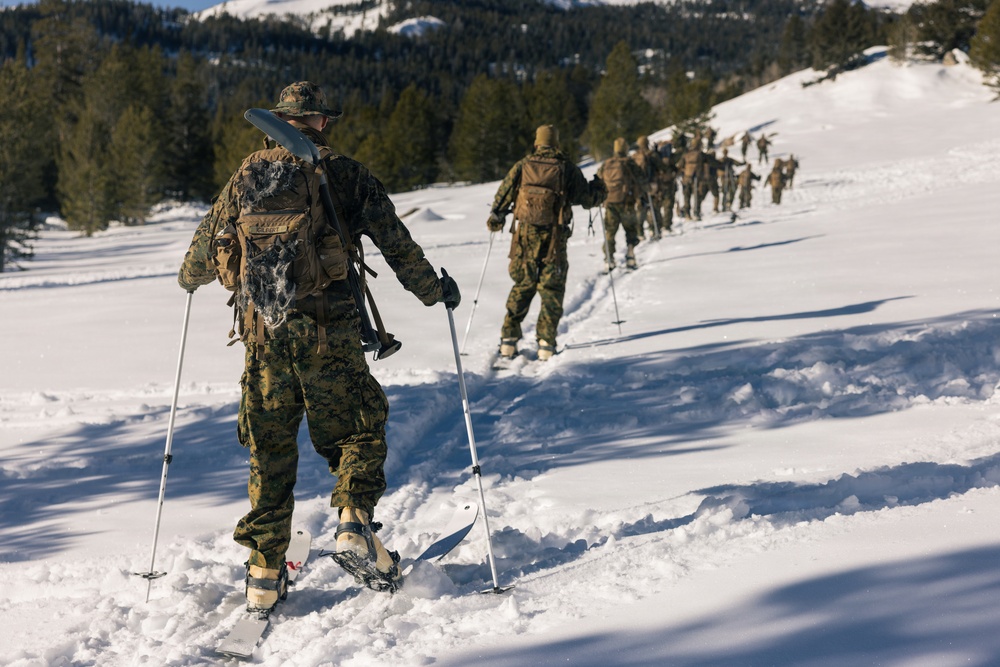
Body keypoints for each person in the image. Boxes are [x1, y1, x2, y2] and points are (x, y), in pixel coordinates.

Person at [176, 81, 460, 612]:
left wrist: (190, 280)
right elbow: (397, 245)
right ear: (322, 121)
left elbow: (197, 260)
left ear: (278, 121)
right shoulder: (344, 174)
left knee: (269, 450)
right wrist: (436, 291)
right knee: (358, 429)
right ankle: (353, 523)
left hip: (263, 338)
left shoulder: (245, 177)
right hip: (329, 334)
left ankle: (264, 573)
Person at [487, 125, 605, 361]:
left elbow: (503, 194)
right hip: (554, 239)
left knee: (523, 284)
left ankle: (508, 340)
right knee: (551, 289)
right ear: (556, 143)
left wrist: (496, 218)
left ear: (537, 143)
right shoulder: (566, 167)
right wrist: (599, 187)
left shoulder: (523, 165)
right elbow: (587, 199)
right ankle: (545, 344)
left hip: (524, 238)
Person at [597, 137, 647, 272]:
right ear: (626, 149)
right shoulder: (629, 163)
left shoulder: (606, 163)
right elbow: (641, 180)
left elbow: (598, 180)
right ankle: (630, 257)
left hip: (610, 203)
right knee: (630, 230)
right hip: (627, 203)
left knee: (610, 232)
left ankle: (609, 260)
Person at [631, 135, 666, 240]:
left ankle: (640, 232)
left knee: (641, 209)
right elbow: (662, 168)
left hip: (639, 187)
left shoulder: (634, 156)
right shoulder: (653, 155)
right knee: (655, 207)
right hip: (652, 185)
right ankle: (655, 229)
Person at [675, 141, 705, 220]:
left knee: (686, 196)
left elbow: (680, 165)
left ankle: (687, 213)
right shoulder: (700, 154)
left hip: (686, 177)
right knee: (697, 196)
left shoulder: (686, 154)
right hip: (697, 178)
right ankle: (696, 213)